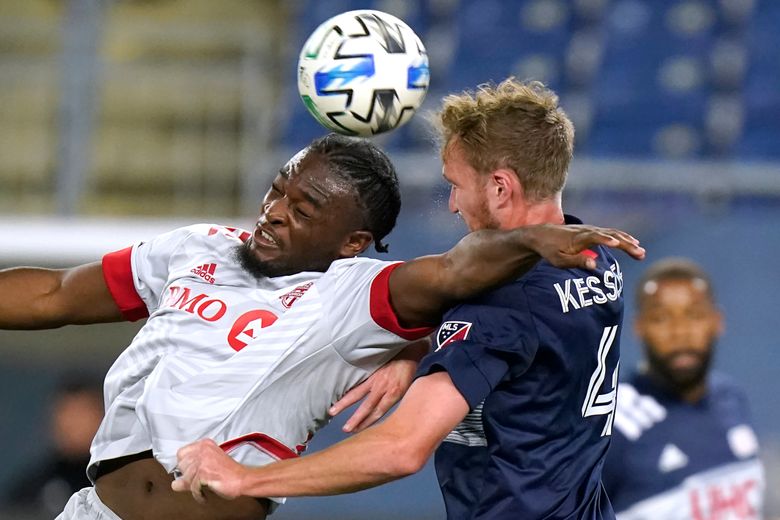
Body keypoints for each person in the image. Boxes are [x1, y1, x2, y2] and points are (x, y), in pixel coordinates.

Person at [0, 132, 644, 520]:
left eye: (303, 208)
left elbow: (454, 272)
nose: (274, 213)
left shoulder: (353, 296)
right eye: (278, 190)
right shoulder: (198, 247)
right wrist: (413, 349)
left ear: (352, 241)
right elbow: (54, 294)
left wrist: (532, 238)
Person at [173, 78, 639, 519]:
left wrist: (246, 477)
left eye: (456, 184)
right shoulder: (592, 256)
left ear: (500, 187)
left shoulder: (503, 301)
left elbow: (401, 448)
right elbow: (533, 341)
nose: (453, 203)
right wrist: (421, 347)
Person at [600, 258, 765, 519]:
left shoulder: (731, 397)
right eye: (661, 318)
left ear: (717, 321)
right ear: (639, 328)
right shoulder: (612, 423)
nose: (680, 332)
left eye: (695, 315)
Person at [4, 378, 103, 518]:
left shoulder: (120, 484)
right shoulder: (32, 489)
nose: (72, 424)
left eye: (81, 413)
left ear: (102, 417)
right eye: (65, 413)